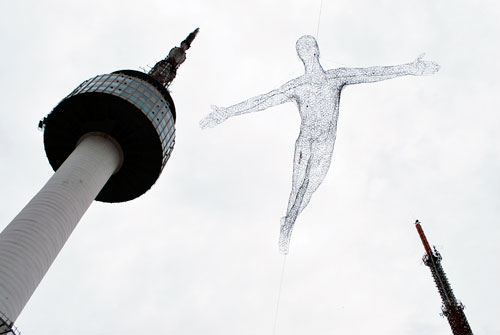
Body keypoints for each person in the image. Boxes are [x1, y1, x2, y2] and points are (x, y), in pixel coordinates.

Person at [200, 35, 439, 254]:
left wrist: (411, 68)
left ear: (315, 51)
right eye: (301, 50)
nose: (306, 52)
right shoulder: (298, 86)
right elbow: (263, 100)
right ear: (301, 55)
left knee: (309, 190)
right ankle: (287, 228)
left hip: (326, 144)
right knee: (298, 188)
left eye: (308, 48)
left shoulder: (336, 77)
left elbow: (372, 73)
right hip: (306, 142)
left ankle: (288, 221)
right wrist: (227, 112)